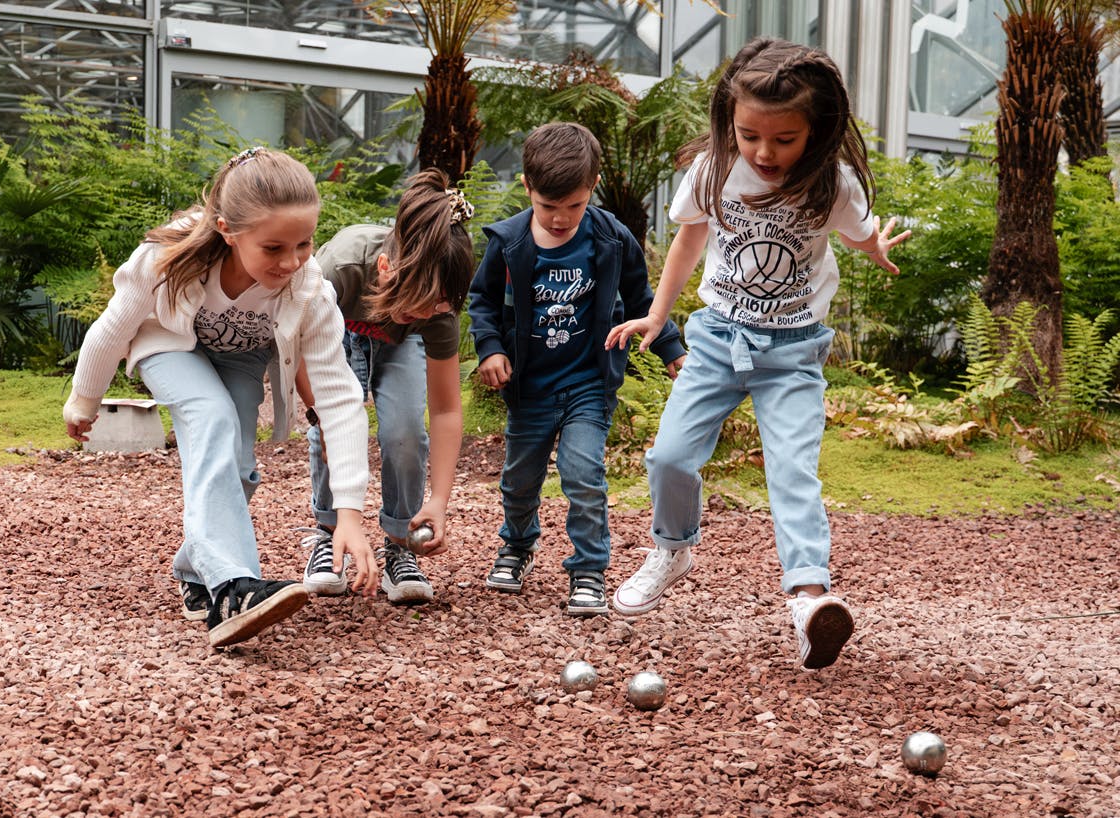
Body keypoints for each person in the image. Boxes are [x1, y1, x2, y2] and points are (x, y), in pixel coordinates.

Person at [602, 38, 910, 668]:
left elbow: (857, 234)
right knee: (669, 456)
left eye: (784, 139)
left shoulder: (833, 183)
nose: (764, 153)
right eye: (750, 136)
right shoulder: (714, 169)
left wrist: (874, 248)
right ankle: (672, 549)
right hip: (718, 338)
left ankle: (809, 599)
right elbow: (689, 240)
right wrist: (658, 316)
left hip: (794, 351)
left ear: (816, 131)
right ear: (730, 123)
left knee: (792, 472)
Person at [63, 146, 381, 649]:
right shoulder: (166, 258)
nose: (292, 261)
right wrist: (84, 401)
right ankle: (234, 588)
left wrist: (349, 515)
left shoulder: (310, 290)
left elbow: (341, 399)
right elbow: (113, 328)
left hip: (241, 357)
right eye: (273, 248)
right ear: (228, 230)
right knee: (211, 417)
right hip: (170, 346)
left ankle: (196, 571)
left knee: (237, 466)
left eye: (304, 243)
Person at [467, 122, 688, 617]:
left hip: (588, 382)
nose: (561, 218)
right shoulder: (508, 242)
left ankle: (588, 569)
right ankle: (517, 546)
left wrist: (671, 347)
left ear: (593, 186)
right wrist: (490, 349)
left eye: (574, 205)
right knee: (518, 480)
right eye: (549, 206)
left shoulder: (611, 238)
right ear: (527, 186)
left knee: (583, 474)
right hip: (528, 387)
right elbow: (481, 300)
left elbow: (642, 299)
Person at [293, 169, 473, 606]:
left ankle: (399, 542)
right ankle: (329, 533)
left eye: (438, 307)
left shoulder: (436, 311)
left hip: (400, 344)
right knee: (331, 429)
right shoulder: (340, 268)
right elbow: (297, 351)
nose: (429, 313)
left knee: (406, 432)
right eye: (421, 304)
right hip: (337, 332)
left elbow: (446, 410)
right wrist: (322, 415)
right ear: (386, 269)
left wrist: (439, 500)